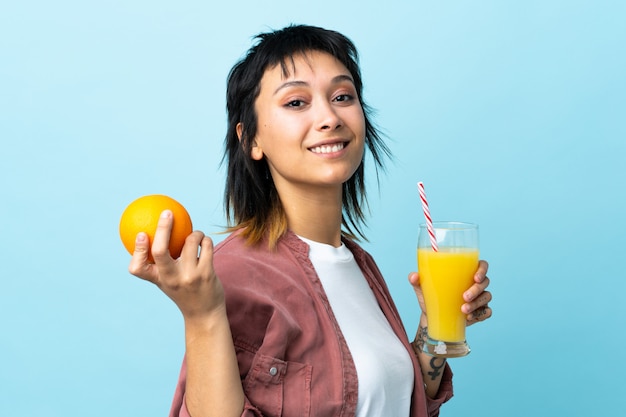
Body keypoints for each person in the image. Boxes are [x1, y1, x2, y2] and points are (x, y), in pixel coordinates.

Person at [128, 24, 492, 417]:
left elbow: (399, 402)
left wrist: (435, 326)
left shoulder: (359, 265)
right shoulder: (231, 275)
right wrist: (201, 316)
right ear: (251, 139)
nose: (329, 117)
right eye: (297, 102)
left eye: (342, 96)